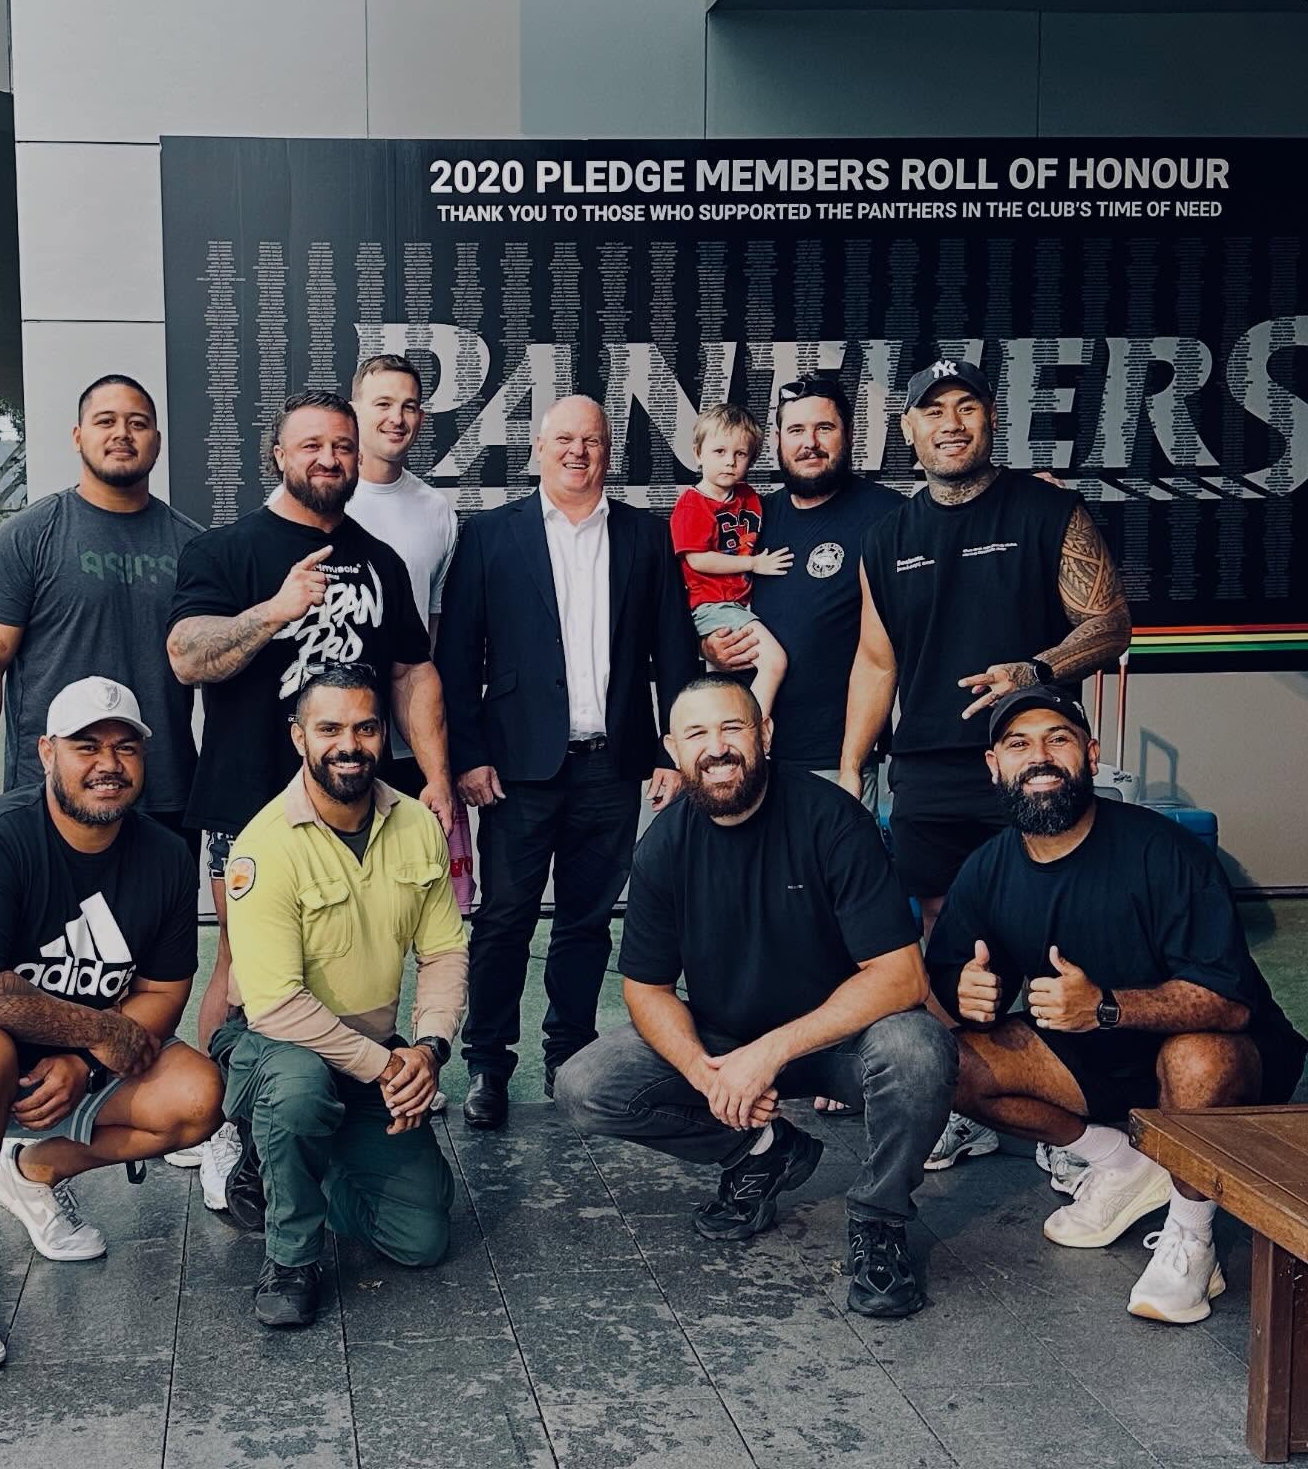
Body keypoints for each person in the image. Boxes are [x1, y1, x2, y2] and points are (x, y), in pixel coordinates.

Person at [555, 677, 957, 1319]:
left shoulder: (831, 820)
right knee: (586, 1084)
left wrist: (769, 1053)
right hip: (725, 1043)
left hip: (837, 1045)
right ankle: (764, 1152)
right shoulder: (663, 845)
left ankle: (880, 1220)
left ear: (765, 733)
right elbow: (646, 987)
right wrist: (703, 1071)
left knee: (919, 1049)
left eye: (732, 728)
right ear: (674, 750)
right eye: (697, 735)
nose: (717, 748)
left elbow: (901, 975)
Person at [0, 677, 222, 1372]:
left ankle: (29, 1172)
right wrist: (91, 1033)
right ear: (46, 752)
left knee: (195, 1097)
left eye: (125, 748)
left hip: (64, 1065)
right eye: (86, 746)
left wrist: (84, 1064)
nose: (108, 763)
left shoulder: (161, 857)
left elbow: (163, 992)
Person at [926, 687, 1307, 1325]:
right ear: (994, 766)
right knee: (946, 1061)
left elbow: (1230, 1003)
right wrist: (964, 991)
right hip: (1093, 1067)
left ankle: (1192, 1234)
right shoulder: (988, 870)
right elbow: (944, 979)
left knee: (1196, 1061)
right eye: (1019, 744)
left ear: (1091, 756)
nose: (1039, 756)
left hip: (1223, 1062)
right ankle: (1122, 1160)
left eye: (1059, 739)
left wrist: (1104, 1008)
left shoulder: (1165, 853)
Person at [840, 356, 1132, 1167]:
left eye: (966, 407)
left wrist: (1033, 672)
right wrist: (850, 765)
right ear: (909, 431)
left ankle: (1068, 1109)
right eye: (934, 412)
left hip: (1032, 760)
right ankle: (971, 1095)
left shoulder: (1047, 510)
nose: (951, 424)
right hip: (930, 769)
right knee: (945, 938)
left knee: (1053, 927)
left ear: (989, 419)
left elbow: (1110, 623)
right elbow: (875, 661)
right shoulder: (886, 537)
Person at [167, 388, 452, 1202]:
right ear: (278, 455)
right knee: (237, 965)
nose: (329, 458)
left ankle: (347, 1097)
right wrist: (275, 610)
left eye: (341, 445)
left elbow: (410, 673)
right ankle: (228, 1128)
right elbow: (188, 655)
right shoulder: (226, 552)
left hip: (360, 797)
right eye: (311, 445)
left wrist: (433, 777)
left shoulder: (381, 559)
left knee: (362, 954)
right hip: (249, 801)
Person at [437, 395, 700, 1129]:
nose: (576, 451)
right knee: (504, 921)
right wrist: (469, 754)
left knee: (587, 922)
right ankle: (487, 1064)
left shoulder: (645, 538)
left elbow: (674, 651)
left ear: (608, 452)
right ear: (537, 450)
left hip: (613, 766)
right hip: (516, 769)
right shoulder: (491, 536)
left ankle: (570, 1057)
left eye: (591, 440)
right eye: (563, 439)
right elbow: (457, 659)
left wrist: (673, 748)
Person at [215, 666, 466, 1327]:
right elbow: (276, 1006)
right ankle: (291, 1255)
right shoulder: (264, 847)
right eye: (329, 728)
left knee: (423, 1238)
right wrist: (389, 1068)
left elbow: (442, 951)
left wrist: (429, 1050)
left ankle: (294, 1167)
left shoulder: (414, 825)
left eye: (365, 727)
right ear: (300, 737)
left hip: (369, 1049)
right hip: (270, 1043)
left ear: (384, 736)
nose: (347, 744)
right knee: (298, 1091)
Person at [0, 375, 201, 856]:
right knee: (50, 931)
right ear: (77, 436)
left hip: (165, 793)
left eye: (138, 423)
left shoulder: (194, 546)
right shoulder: (29, 536)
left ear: (157, 441)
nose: (122, 433)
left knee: (158, 932)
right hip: (50, 794)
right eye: (105, 421)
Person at [700, 372, 900, 814]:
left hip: (836, 762)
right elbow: (705, 593)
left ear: (847, 434)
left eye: (823, 428)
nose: (809, 442)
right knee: (756, 883)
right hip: (749, 760)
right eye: (796, 430)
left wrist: (853, 763)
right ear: (776, 440)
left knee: (838, 882)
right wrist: (710, 645)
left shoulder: (887, 516)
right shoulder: (754, 515)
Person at [266, 355, 460, 792]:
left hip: (401, 745)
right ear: (353, 414)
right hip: (319, 742)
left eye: (409, 406)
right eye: (383, 403)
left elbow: (426, 637)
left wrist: (433, 758)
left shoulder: (437, 511)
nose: (397, 418)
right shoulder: (305, 493)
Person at [670, 402, 788, 716]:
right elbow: (697, 560)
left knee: (728, 683)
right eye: (719, 452)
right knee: (775, 662)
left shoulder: (748, 496)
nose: (730, 462)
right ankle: (756, 729)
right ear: (698, 454)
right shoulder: (692, 504)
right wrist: (753, 564)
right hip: (713, 605)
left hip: (740, 602)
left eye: (740, 454)